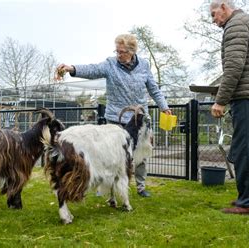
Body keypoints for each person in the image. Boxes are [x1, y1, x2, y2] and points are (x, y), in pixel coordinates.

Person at [55, 34, 172, 198]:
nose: (118, 55)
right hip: (116, 119)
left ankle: (140, 186)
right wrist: (72, 68)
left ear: (132, 52)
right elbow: (93, 69)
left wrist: (164, 106)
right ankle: (106, 188)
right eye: (116, 51)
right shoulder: (111, 64)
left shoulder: (144, 65)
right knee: (108, 154)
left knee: (140, 153)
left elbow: (153, 88)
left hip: (138, 119)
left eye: (122, 52)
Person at [209, 0, 249, 214]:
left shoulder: (235, 24)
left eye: (214, 14)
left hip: (246, 95)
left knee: (245, 148)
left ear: (224, 7)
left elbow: (234, 66)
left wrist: (220, 100)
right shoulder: (247, 20)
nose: (214, 20)